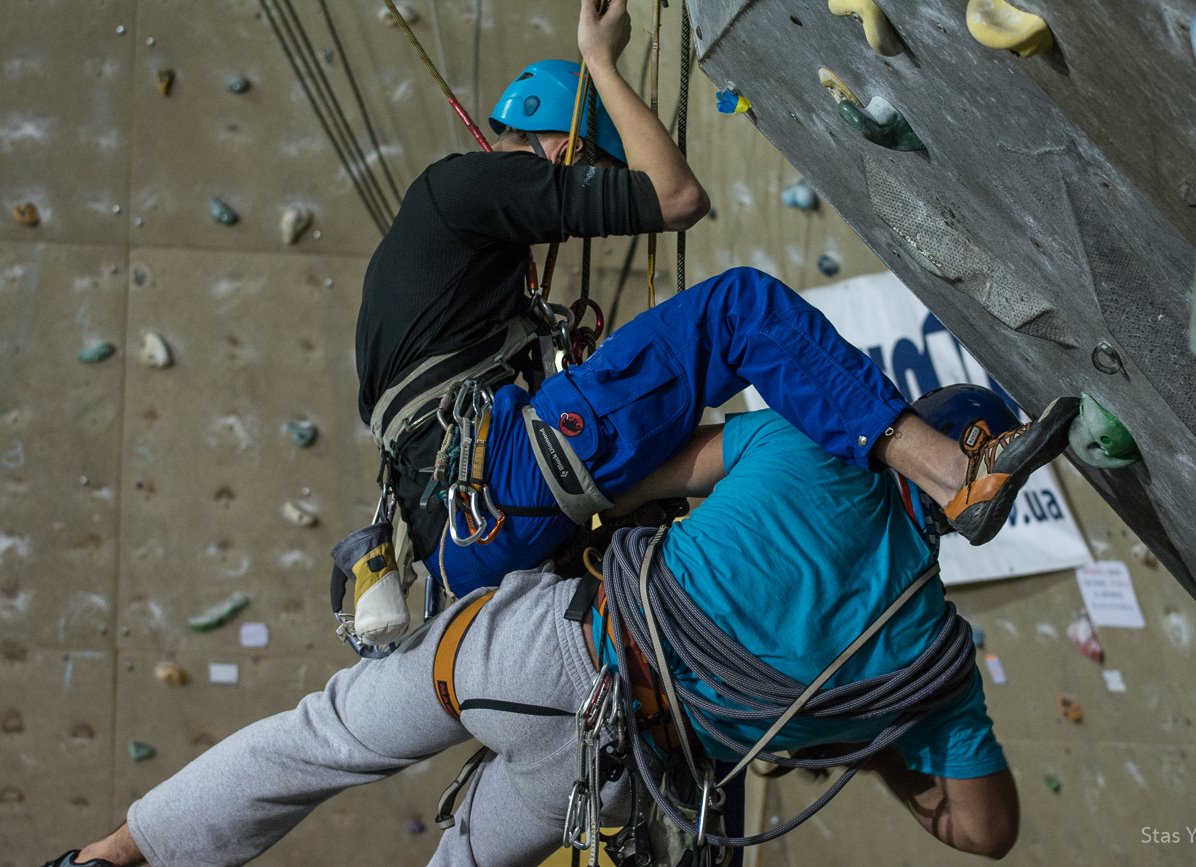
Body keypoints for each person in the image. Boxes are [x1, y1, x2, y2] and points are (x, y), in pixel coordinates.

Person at [48, 387, 1020, 867]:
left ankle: (107, 864)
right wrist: (874, 737)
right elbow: (985, 833)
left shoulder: (803, 449)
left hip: (545, 650)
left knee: (324, 740)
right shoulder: (932, 664)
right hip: (613, 763)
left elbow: (645, 475)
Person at [352, 0, 1079, 629]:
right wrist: (601, 63)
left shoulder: (442, 274)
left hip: (467, 542)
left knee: (751, 440)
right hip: (505, 476)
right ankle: (955, 476)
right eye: (596, 175)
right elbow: (674, 198)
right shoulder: (471, 183)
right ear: (567, 149)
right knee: (737, 309)